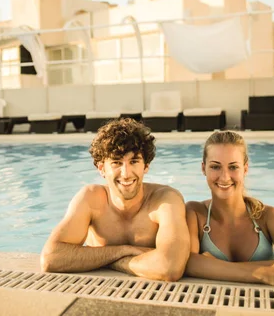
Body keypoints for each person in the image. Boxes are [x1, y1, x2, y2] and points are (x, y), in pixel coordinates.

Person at [40, 118, 190, 281]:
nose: (126, 173)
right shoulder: (91, 198)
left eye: (134, 161)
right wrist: (122, 251)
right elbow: (50, 258)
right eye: (116, 162)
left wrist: (108, 261)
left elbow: (170, 268)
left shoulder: (165, 200)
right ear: (102, 168)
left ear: (146, 166)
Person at [185, 131, 274, 288]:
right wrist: (264, 273)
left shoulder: (267, 217)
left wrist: (211, 265)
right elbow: (188, 263)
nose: (225, 177)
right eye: (215, 167)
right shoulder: (195, 213)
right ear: (203, 168)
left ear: (245, 169)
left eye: (233, 167)